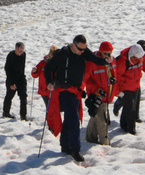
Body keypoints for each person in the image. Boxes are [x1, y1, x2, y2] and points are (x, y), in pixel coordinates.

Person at [44, 34, 113, 162]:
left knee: (69, 119)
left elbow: (96, 60)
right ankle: (75, 150)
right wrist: (49, 82)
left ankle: (64, 146)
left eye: (84, 49)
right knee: (74, 119)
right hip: (64, 90)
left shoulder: (84, 51)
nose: (82, 52)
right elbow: (48, 67)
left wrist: (106, 61)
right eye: (80, 49)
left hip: (77, 90)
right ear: (73, 45)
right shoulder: (63, 53)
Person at [113, 44, 145, 135]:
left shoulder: (141, 57)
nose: (139, 59)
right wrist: (118, 91)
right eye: (136, 58)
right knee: (131, 108)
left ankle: (124, 125)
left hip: (135, 86)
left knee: (128, 107)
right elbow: (116, 76)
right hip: (125, 88)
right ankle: (131, 129)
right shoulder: (122, 61)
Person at [83, 41, 117, 145]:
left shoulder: (112, 60)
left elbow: (115, 74)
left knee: (95, 115)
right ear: (100, 52)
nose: (108, 55)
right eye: (105, 53)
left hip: (108, 94)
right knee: (102, 121)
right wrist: (95, 89)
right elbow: (85, 80)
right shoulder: (91, 62)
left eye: (110, 53)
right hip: (97, 95)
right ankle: (105, 143)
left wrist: (113, 81)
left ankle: (90, 138)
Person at [2, 42, 28, 120]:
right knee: (9, 96)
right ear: (16, 49)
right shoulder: (11, 56)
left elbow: (22, 68)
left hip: (21, 79)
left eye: (22, 51)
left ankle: (23, 116)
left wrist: (23, 79)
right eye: (20, 51)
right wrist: (11, 83)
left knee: (23, 97)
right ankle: (6, 112)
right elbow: (7, 70)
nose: (21, 52)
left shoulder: (23, 55)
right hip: (12, 79)